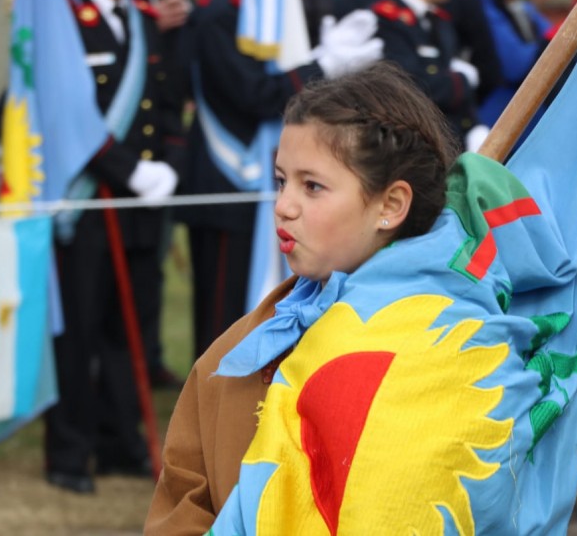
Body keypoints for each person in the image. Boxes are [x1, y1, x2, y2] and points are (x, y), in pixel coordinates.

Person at [145, 61, 457, 534]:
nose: (284, 206)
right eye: (281, 180)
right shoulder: (236, 355)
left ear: (390, 205)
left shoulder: (447, 343)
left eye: (312, 186)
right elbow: (183, 500)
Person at [176, 0, 382, 359]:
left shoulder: (261, 8)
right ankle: (215, 397)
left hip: (264, 176)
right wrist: (321, 67)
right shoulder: (223, 11)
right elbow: (254, 95)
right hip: (229, 179)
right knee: (224, 313)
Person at [41, 0, 187, 494]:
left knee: (130, 332)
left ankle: (121, 443)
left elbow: (168, 101)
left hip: (140, 204)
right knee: (78, 330)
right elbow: (66, 116)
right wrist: (128, 170)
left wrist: (170, 160)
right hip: (89, 202)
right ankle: (70, 453)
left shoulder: (143, 21)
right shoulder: (62, 22)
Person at [361, 0, 489, 149]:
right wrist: (463, 81)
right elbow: (414, 87)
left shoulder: (436, 18)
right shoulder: (385, 18)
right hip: (415, 147)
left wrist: (473, 127)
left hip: (450, 140)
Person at [473, 0, 550, 135]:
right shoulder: (482, 11)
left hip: (533, 119)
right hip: (499, 121)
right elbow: (516, 65)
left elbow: (558, 42)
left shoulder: (524, 8)